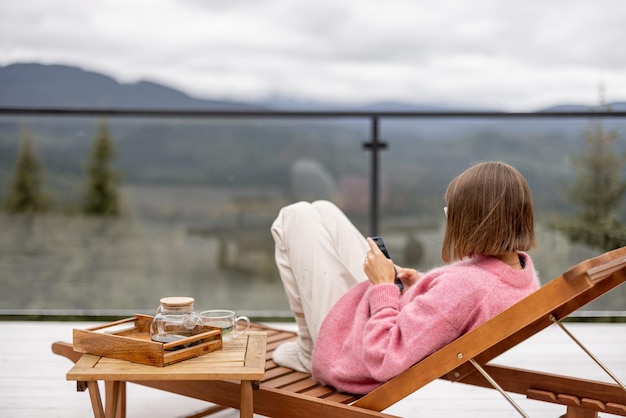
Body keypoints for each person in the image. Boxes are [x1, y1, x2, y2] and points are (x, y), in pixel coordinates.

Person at [270, 161, 540, 394]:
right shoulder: (519, 273)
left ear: (472, 221)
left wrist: (384, 286)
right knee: (324, 211)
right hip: (370, 316)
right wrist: (420, 286)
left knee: (295, 216)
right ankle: (309, 344)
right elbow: (450, 312)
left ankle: (310, 350)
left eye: (451, 213)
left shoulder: (464, 289)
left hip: (352, 347)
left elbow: (384, 357)